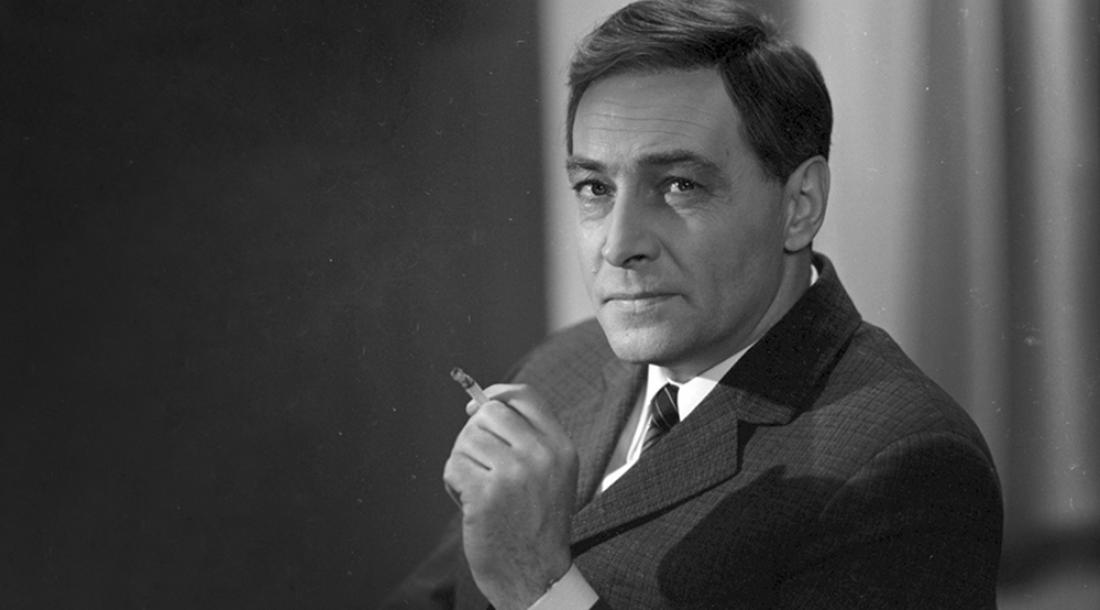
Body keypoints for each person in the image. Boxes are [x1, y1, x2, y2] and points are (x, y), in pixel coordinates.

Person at [384, 1, 1003, 607]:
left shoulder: (904, 463)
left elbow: (521, 574)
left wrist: (539, 588)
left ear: (800, 205)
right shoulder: (558, 368)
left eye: (679, 185)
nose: (619, 245)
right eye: (594, 187)